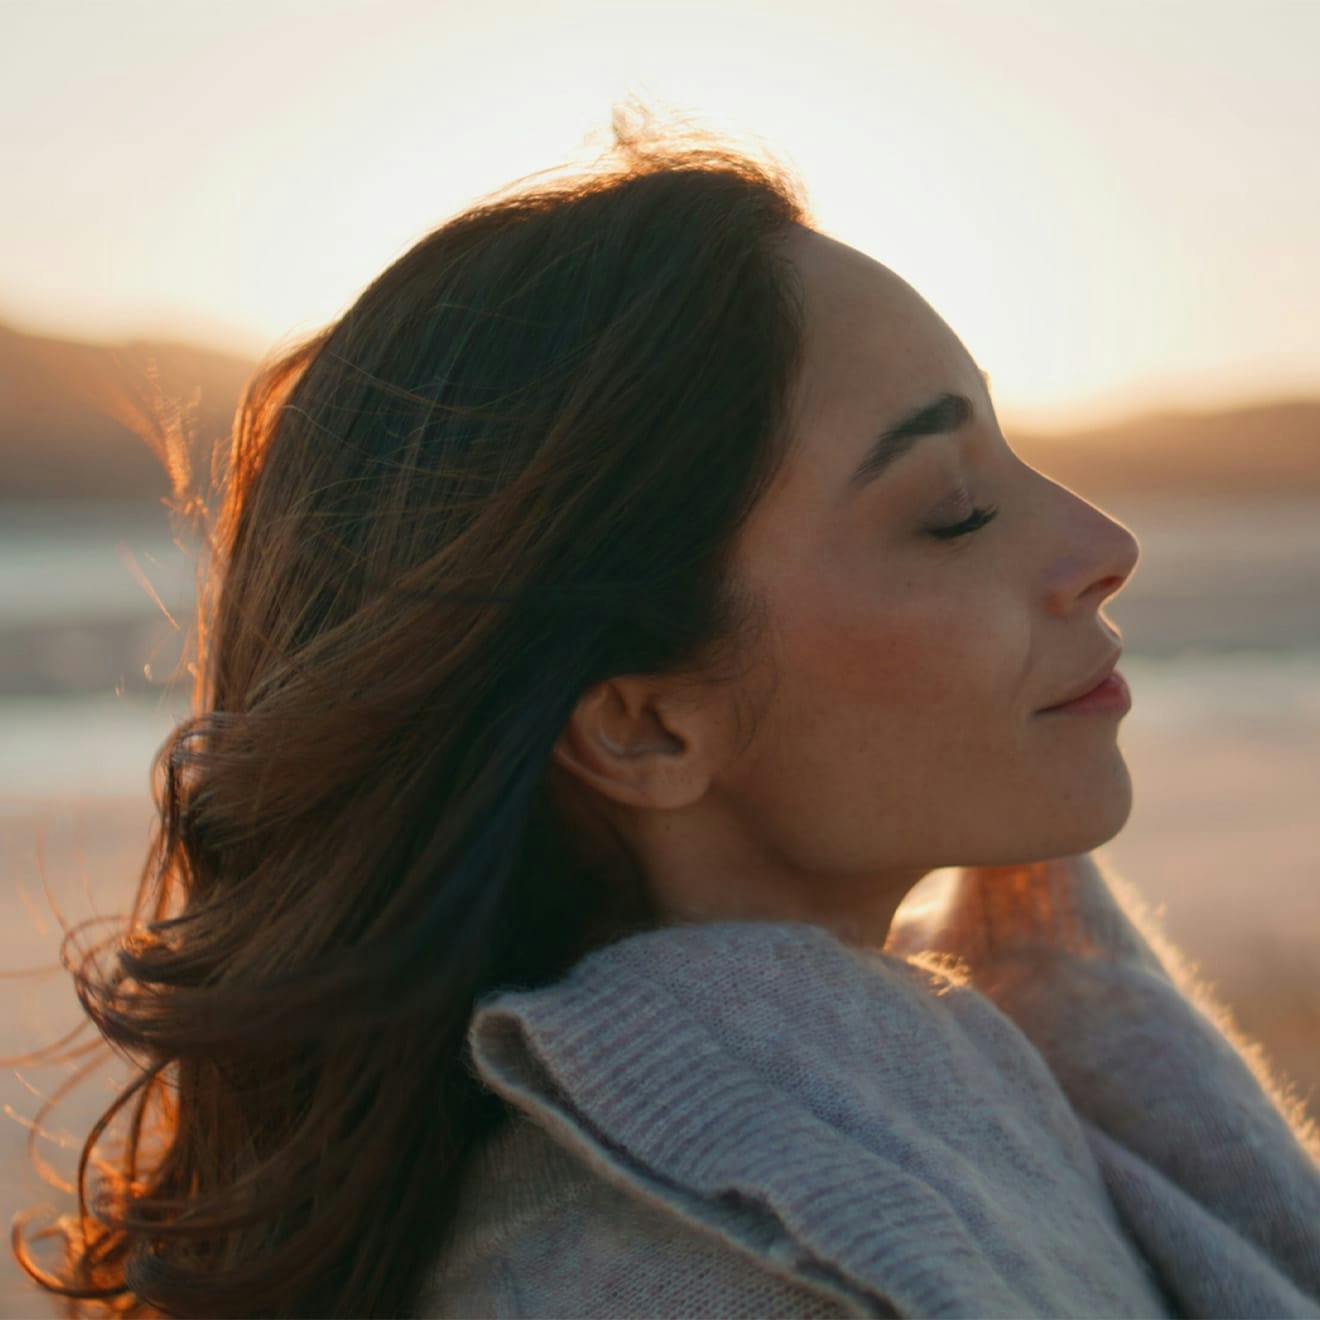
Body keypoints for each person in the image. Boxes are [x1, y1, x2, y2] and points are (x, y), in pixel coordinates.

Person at [13, 108, 1319, 1318]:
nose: (1102, 542)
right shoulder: (634, 1281)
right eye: (952, 510)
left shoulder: (969, 1098)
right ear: (644, 728)